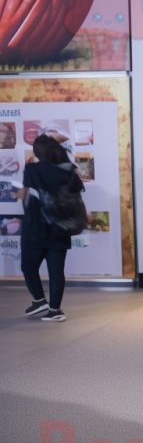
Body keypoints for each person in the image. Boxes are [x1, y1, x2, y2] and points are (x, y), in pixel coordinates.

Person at [16, 135, 84, 322]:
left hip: (35, 228)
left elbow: (26, 193)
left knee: (29, 268)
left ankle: (39, 300)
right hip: (61, 228)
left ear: (38, 152)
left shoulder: (33, 169)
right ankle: (55, 310)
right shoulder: (70, 171)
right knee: (56, 272)